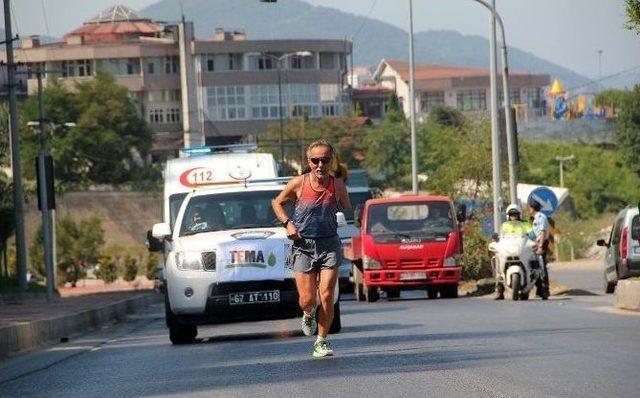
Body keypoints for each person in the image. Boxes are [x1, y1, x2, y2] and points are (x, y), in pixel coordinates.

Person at [272, 140, 351, 358]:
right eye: (315, 160)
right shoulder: (298, 183)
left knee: (326, 294)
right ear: (309, 162)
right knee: (307, 300)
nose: (320, 165)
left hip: (329, 245)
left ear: (331, 161)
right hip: (303, 246)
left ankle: (321, 341)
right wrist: (287, 223)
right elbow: (277, 203)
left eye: (325, 160)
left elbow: (346, 207)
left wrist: (341, 216)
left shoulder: (338, 185)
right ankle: (308, 313)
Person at [494, 204, 534, 300]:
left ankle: (542, 289)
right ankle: (499, 291)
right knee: (497, 260)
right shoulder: (504, 225)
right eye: (511, 214)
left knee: (537, 262)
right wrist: (495, 240)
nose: (513, 217)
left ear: (519, 215)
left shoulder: (525, 224)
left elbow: (532, 234)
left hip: (522, 251)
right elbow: (499, 237)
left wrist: (532, 237)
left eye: (515, 214)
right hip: (508, 250)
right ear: (508, 215)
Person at [530, 200, 551, 298]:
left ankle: (545, 289)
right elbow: (534, 232)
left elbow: (542, 232)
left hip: (540, 243)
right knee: (536, 266)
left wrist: (540, 246)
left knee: (542, 266)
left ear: (532, 208)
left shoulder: (541, 217)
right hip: (535, 244)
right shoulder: (536, 218)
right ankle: (539, 289)